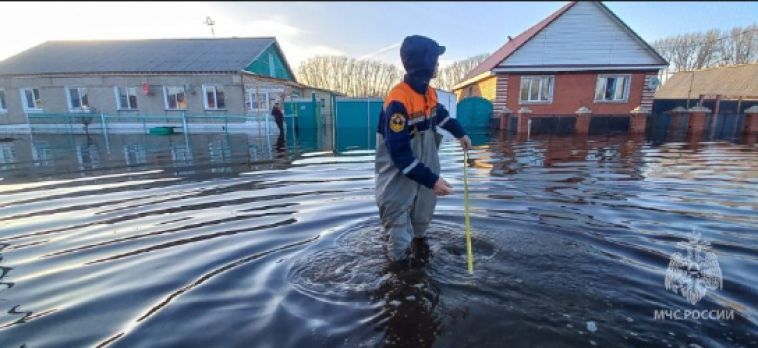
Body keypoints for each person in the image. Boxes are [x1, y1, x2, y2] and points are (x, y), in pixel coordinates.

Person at [375, 35, 471, 268]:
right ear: (425, 62)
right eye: (436, 59)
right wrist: (432, 180)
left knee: (421, 221)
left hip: (422, 172)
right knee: (398, 235)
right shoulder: (398, 101)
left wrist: (460, 133)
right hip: (398, 175)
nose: (439, 64)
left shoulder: (428, 93)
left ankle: (419, 262)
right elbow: (399, 155)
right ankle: (398, 283)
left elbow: (440, 115)